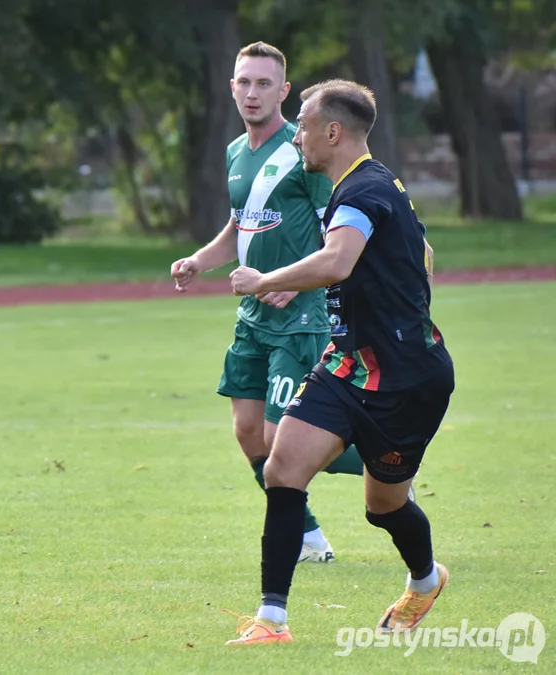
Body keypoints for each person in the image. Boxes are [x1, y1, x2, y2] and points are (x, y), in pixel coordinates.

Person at [225, 79, 454, 645]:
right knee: (282, 470)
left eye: (302, 125)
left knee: (383, 507)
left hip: (406, 380)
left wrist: (264, 280)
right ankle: (271, 621)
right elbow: (424, 252)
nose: (297, 135)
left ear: (333, 131)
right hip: (348, 365)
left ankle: (425, 580)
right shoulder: (364, 186)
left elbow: (337, 261)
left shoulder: (362, 190)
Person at [170, 42, 364, 563]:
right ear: (231, 87)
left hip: (300, 316)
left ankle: (386, 465)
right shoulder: (236, 152)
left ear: (283, 91)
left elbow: (335, 236)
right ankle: (308, 537)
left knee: (284, 440)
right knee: (247, 431)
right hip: (253, 315)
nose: (252, 93)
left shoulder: (304, 153)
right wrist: (199, 260)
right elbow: (241, 227)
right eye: (244, 83)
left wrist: (294, 281)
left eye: (263, 84)